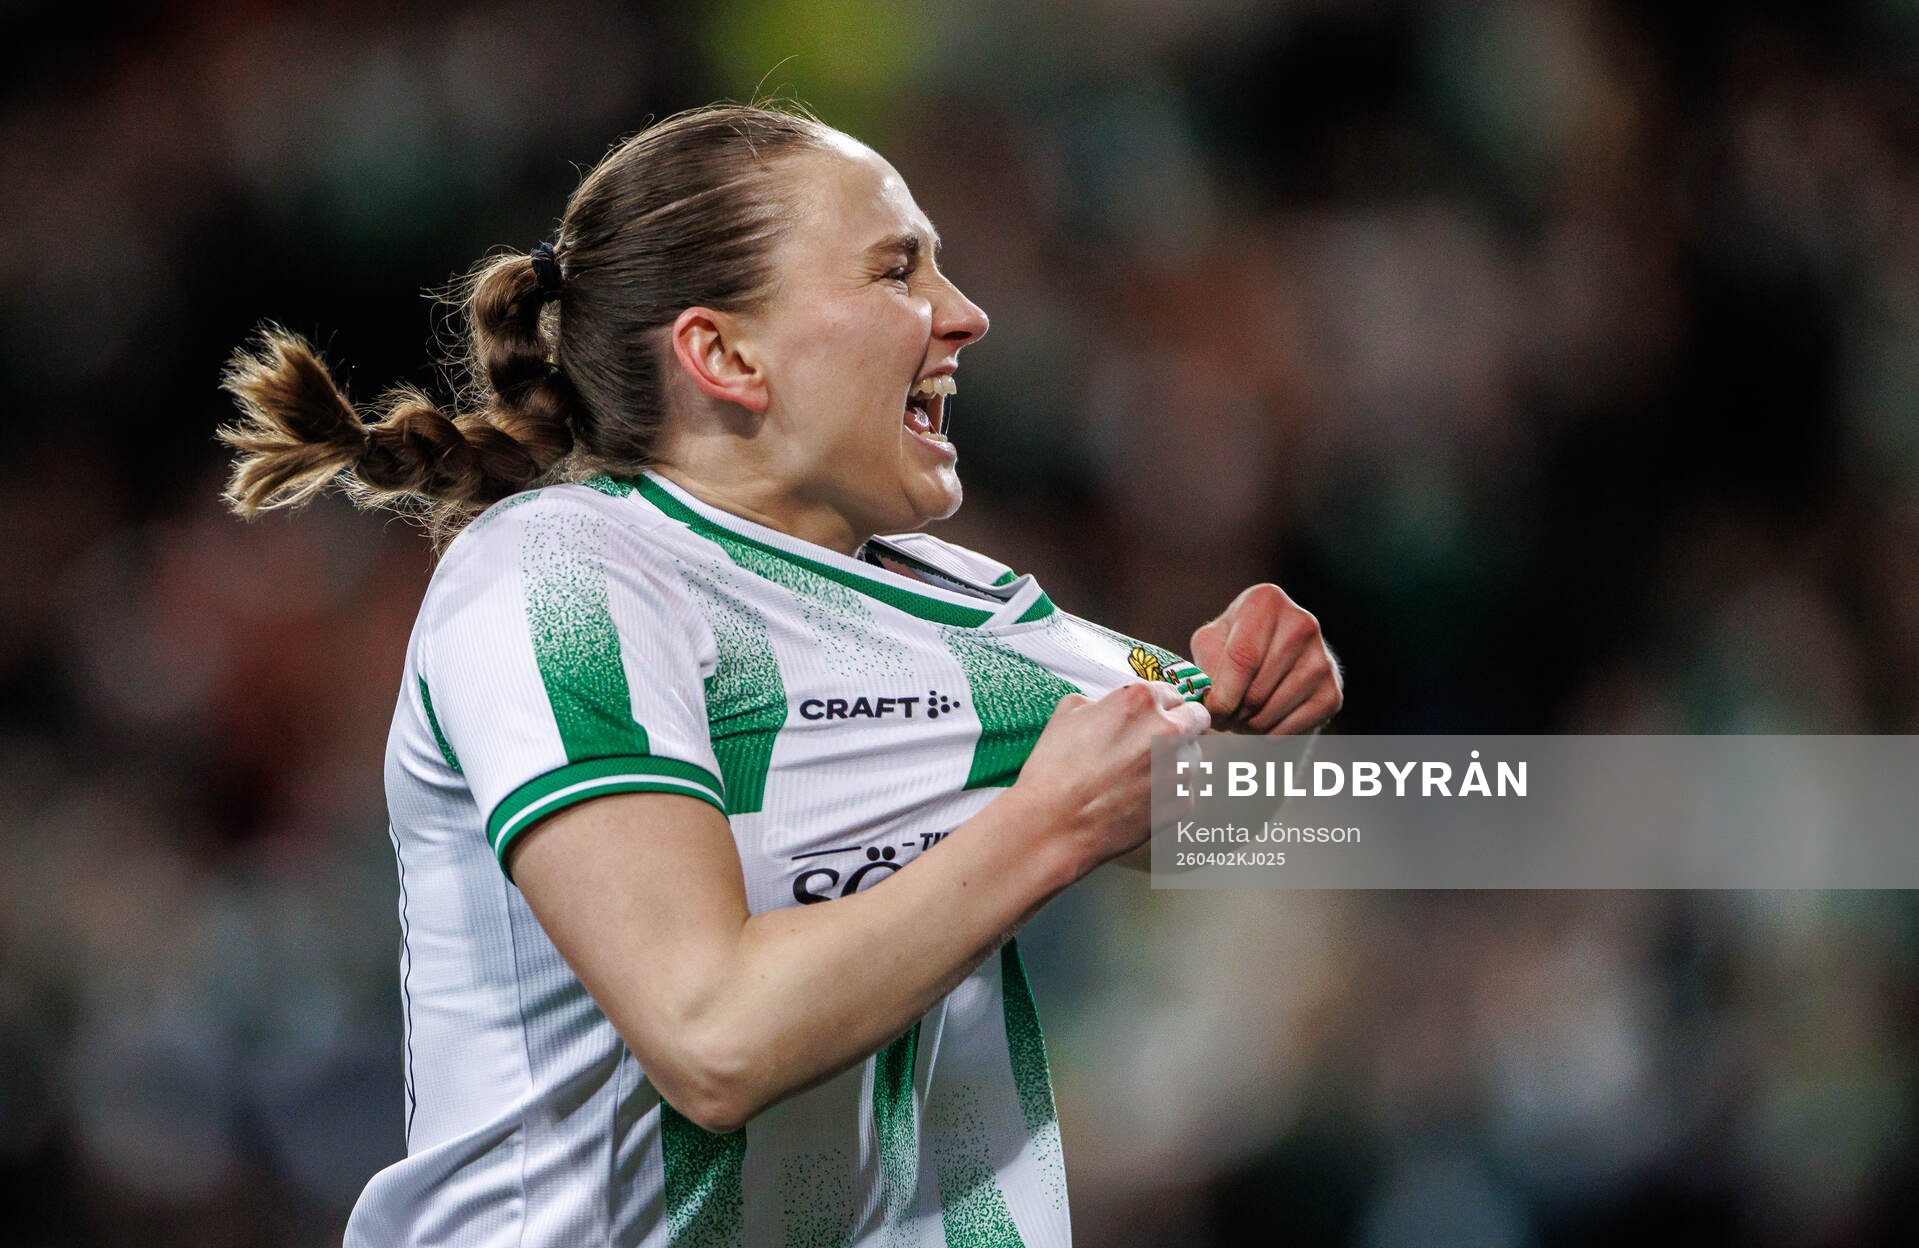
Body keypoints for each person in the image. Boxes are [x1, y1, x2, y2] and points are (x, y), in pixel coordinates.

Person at [218, 102, 1341, 1247]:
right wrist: (1050, 826)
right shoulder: (559, 576)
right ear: (723, 354)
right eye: (896, 269)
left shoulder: (967, 607)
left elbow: (1386, 822)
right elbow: (712, 1036)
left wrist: (1265, 740)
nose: (964, 314)